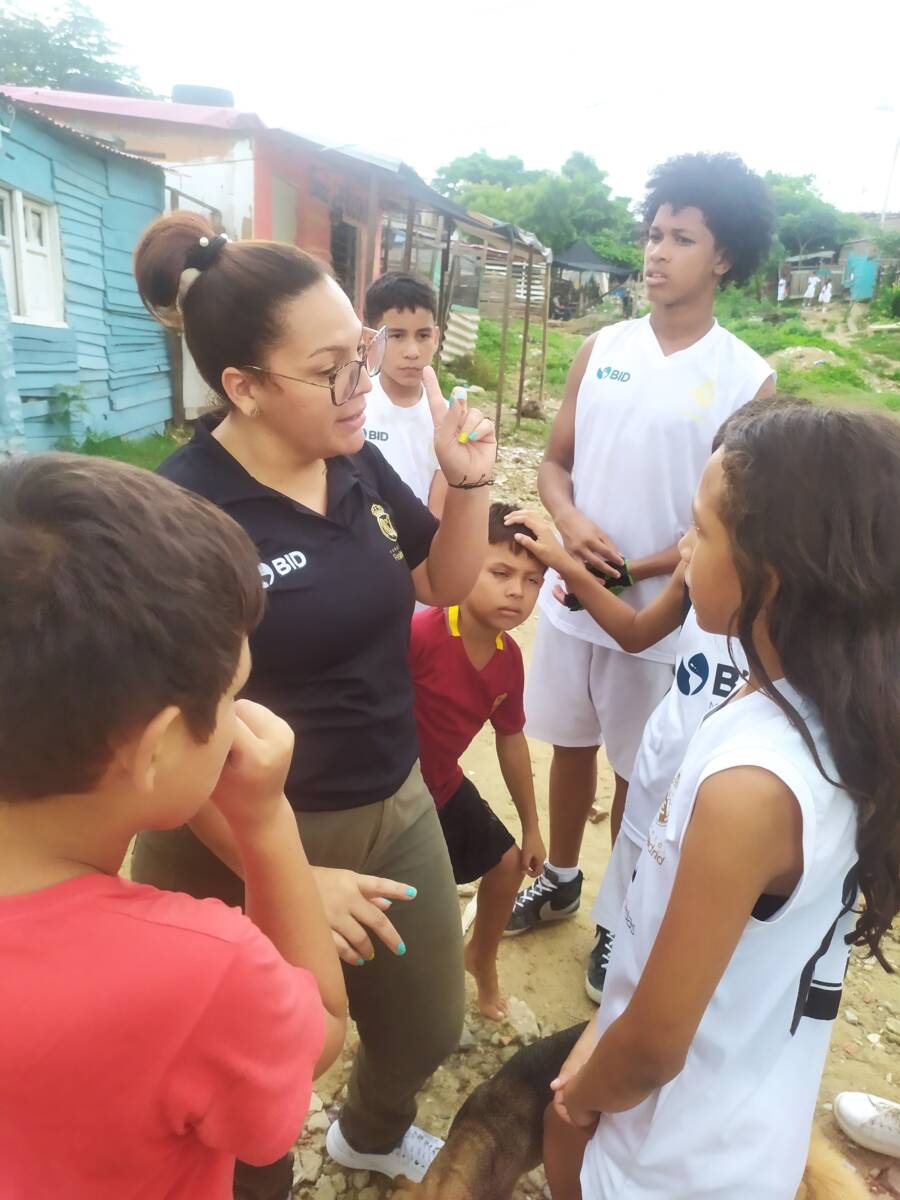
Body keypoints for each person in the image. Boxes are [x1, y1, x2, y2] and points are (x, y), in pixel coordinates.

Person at [130, 213, 497, 1193]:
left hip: (395, 798)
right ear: (242, 387)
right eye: (329, 367)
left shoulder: (356, 461)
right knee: (258, 1079)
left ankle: (369, 1134)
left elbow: (440, 583)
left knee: (426, 1024)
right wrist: (284, 872)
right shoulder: (184, 518)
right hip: (243, 834)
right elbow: (164, 748)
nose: (362, 387)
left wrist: (468, 487)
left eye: (362, 358)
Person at [542, 404, 900, 1199]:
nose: (683, 552)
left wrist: (574, 1107)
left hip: (666, 1162)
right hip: (748, 1121)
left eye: (699, 533)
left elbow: (656, 1045)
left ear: (769, 575)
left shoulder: (754, 787)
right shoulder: (834, 714)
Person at [0, 453, 347, 1200]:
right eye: (232, 696)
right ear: (155, 750)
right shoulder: (199, 973)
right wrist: (265, 820)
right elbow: (320, 1031)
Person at [505, 153, 776, 958]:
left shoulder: (745, 379)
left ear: (723, 256)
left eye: (681, 238)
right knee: (569, 744)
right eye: (654, 234)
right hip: (568, 598)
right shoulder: (602, 347)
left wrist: (634, 570)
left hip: (657, 616)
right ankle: (558, 875)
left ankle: (616, 919)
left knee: (640, 771)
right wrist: (569, 522)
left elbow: (724, 524)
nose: (657, 252)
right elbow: (556, 462)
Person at [510, 395, 803, 1002]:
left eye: (699, 527)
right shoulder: (695, 580)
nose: (684, 546)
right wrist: (564, 562)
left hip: (714, 810)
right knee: (635, 870)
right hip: (660, 780)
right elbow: (636, 631)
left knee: (686, 940)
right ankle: (615, 930)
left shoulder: (800, 652)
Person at [409, 502, 547, 1021]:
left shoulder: (509, 660)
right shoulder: (422, 635)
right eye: (501, 572)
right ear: (464, 565)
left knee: (508, 863)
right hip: (394, 794)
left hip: (442, 786)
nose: (517, 590)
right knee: (415, 904)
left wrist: (532, 826)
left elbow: (510, 739)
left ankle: (481, 960)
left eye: (532, 580)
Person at [362, 271, 448, 517]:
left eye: (423, 336)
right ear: (372, 338)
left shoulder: (446, 417)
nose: (412, 352)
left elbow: (438, 513)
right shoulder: (353, 404)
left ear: (436, 338)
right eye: (397, 336)